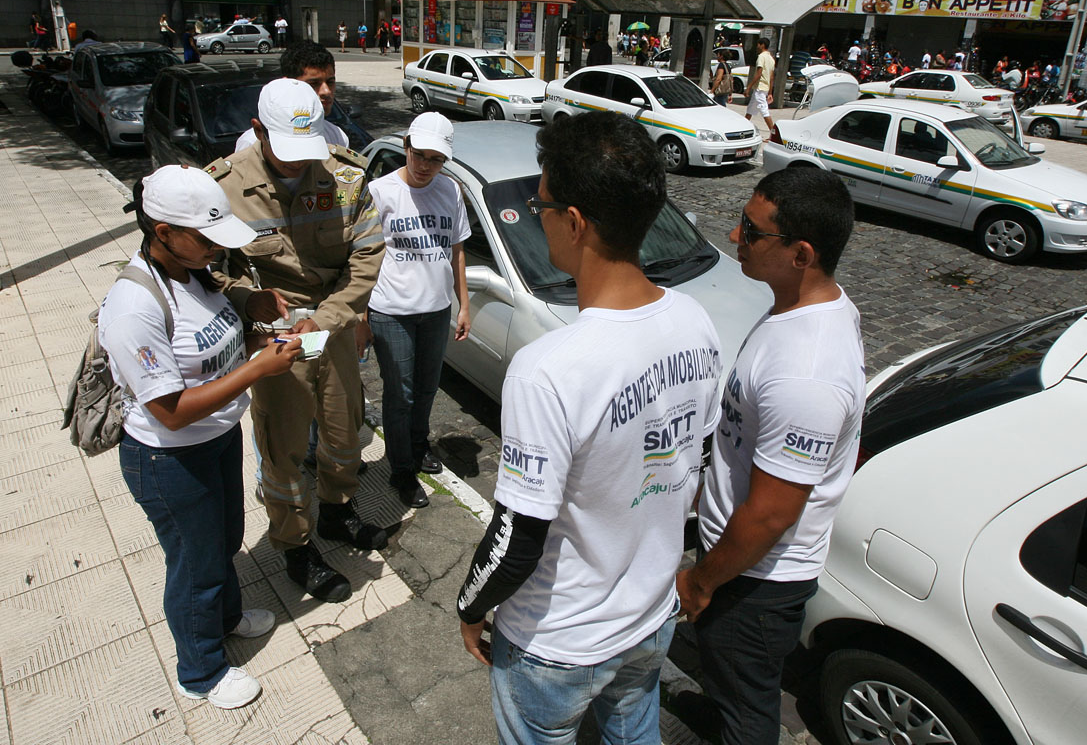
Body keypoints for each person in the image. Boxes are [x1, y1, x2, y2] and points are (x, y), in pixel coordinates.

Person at [457, 110, 722, 745]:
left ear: (574, 222)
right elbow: (697, 460)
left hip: (561, 639)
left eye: (539, 204)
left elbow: (520, 533)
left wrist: (471, 603)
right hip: (651, 618)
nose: (534, 214)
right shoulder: (696, 321)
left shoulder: (548, 368)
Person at [99, 165, 304, 709]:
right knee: (195, 564)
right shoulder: (133, 307)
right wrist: (258, 370)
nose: (216, 247)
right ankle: (202, 670)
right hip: (169, 458)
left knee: (226, 538)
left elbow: (206, 329)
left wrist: (249, 309)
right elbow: (169, 411)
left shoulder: (195, 271)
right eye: (205, 237)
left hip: (215, 440)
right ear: (162, 232)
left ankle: (228, 617)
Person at [677, 166, 864, 745]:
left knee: (749, 709)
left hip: (754, 578)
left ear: (801, 253)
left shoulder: (806, 373)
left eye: (751, 231)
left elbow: (772, 513)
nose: (735, 238)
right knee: (732, 681)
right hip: (745, 565)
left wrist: (704, 581)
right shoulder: (806, 308)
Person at [207, 78, 386, 604]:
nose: (298, 165)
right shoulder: (221, 188)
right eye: (284, 152)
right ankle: (294, 544)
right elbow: (207, 269)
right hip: (276, 337)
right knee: (282, 450)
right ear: (258, 131)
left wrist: (328, 320)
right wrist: (246, 299)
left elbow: (367, 258)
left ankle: (335, 511)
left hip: (330, 328)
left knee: (343, 431)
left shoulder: (344, 177)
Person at [364, 112, 470, 509]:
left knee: (427, 389)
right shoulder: (379, 191)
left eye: (436, 159)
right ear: (406, 147)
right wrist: (361, 315)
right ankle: (402, 469)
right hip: (391, 311)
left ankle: (418, 444)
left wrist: (463, 304)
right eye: (419, 154)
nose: (426, 165)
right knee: (400, 394)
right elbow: (363, 256)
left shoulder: (451, 191)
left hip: (436, 309)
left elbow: (457, 248)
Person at [234, 41, 348, 152]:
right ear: (287, 83)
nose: (326, 91)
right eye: (314, 84)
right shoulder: (251, 144)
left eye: (330, 82)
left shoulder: (337, 137)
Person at [745, 36, 777, 134]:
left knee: (764, 111)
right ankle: (744, 127)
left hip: (760, 88)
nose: (757, 47)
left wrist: (748, 87)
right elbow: (771, 77)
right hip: (765, 88)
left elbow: (758, 74)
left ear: (762, 45)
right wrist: (770, 92)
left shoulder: (761, 57)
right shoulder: (771, 59)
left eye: (758, 45)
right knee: (750, 109)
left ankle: (773, 134)